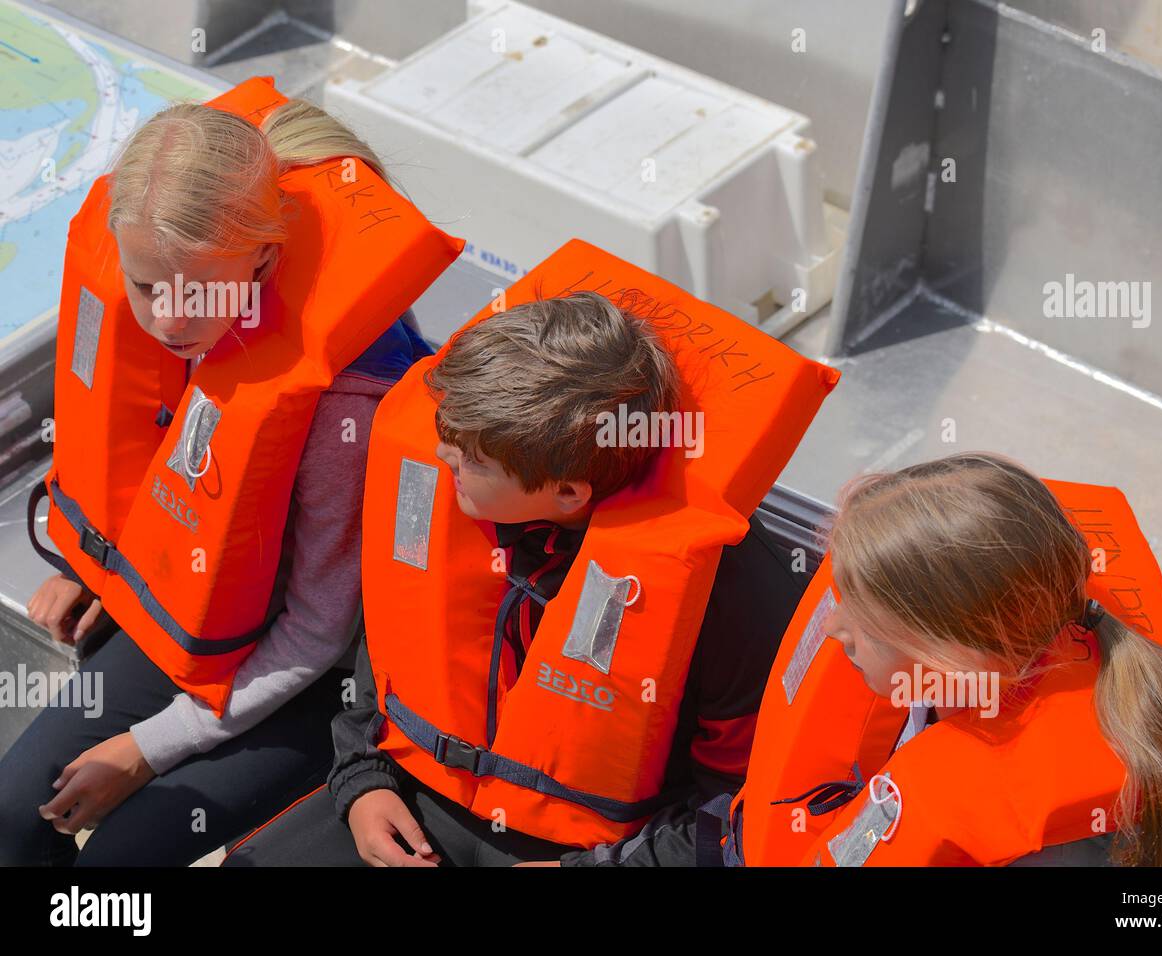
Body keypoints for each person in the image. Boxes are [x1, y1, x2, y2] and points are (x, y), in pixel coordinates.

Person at [223, 239, 839, 866]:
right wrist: (360, 778)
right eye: (447, 436)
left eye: (472, 459)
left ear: (568, 492)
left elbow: (736, 811)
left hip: (602, 849)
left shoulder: (732, 591)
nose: (442, 460)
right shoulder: (455, 493)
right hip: (411, 782)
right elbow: (391, 636)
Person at [0, 76, 460, 866]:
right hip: (195, 615)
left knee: (118, 867)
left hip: (315, 675)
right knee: (13, 812)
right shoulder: (170, 307)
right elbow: (148, 462)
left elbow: (319, 635)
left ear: (264, 262)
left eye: (199, 288)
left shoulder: (344, 401)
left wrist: (146, 748)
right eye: (147, 288)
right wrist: (100, 558)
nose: (171, 319)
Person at [711, 454, 1162, 866]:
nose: (830, 628)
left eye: (864, 626)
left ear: (947, 663)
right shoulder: (990, 653)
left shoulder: (1047, 845)